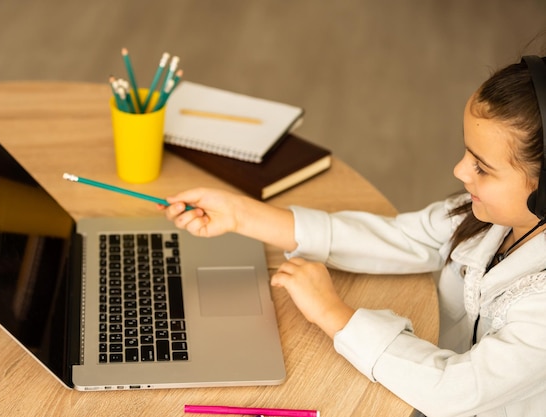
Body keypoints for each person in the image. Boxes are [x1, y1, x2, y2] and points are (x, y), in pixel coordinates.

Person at [161, 56, 546, 417]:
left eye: (482, 167)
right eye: (467, 153)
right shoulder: (487, 214)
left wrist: (334, 315)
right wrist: (241, 214)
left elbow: (455, 389)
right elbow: (397, 237)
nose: (460, 170)